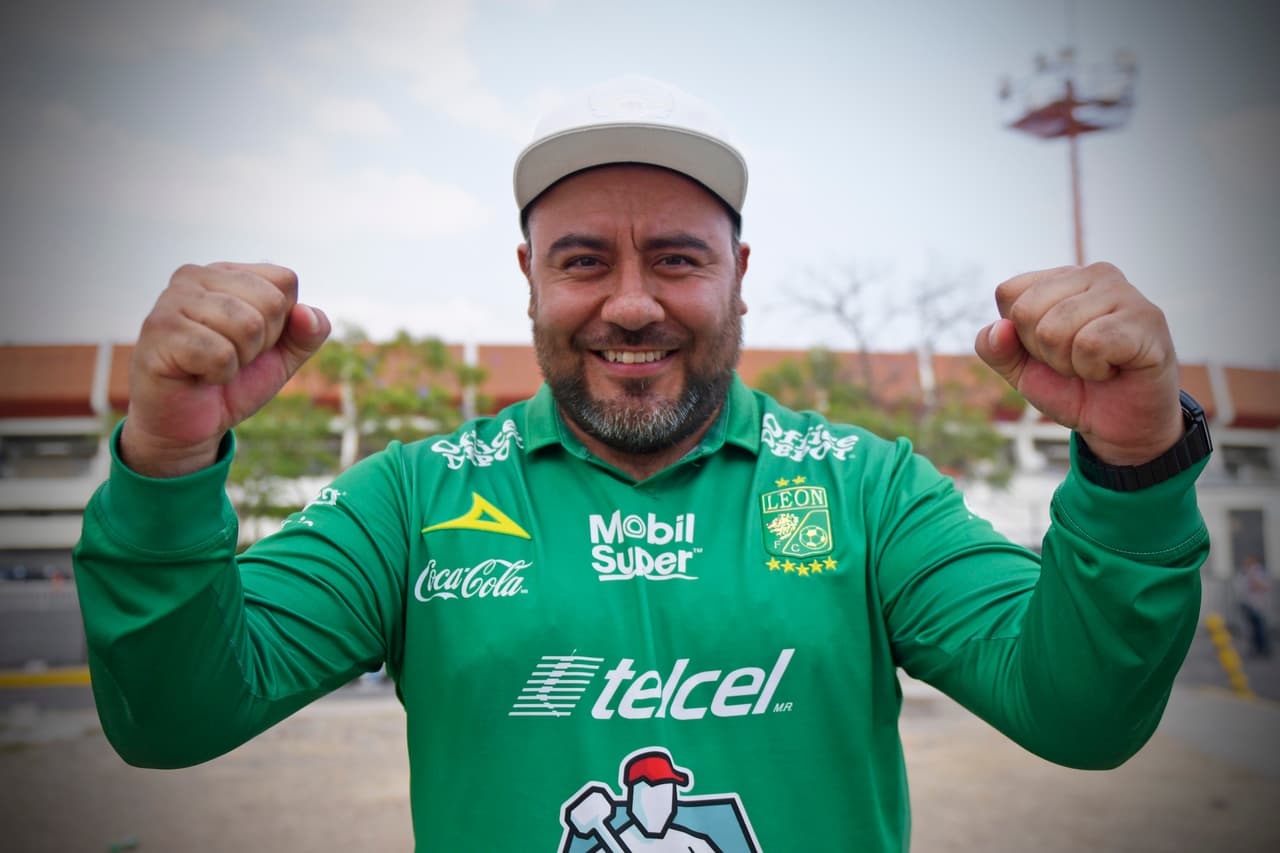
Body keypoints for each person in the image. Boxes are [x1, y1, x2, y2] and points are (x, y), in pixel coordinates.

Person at [73, 75, 1213, 851]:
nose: (629, 302)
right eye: (582, 261)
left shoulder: (865, 487)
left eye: (675, 258)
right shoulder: (412, 498)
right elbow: (171, 718)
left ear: (738, 273)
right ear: (527, 277)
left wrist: (1129, 460)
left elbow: (1081, 714)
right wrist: (167, 457)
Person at [1237, 555, 1271, 657]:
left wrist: (1253, 577)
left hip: (1258, 605)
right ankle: (1256, 648)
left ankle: (1263, 649)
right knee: (1252, 629)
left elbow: (1262, 586)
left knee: (1260, 628)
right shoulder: (1244, 573)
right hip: (1248, 605)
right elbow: (1242, 588)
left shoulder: (1259, 572)